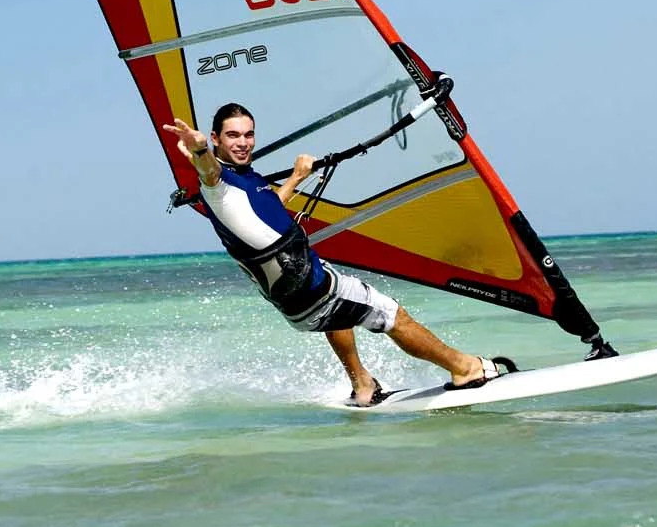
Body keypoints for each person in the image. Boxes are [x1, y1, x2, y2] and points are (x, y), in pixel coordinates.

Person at [163, 103, 516, 408]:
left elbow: (265, 214)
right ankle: (463, 367)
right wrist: (199, 152)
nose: (243, 143)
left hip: (297, 298)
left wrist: (298, 177)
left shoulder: (245, 181)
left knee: (341, 304)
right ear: (215, 138)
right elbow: (208, 172)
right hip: (311, 289)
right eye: (232, 136)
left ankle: (362, 384)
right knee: (392, 314)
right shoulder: (217, 183)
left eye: (248, 134)